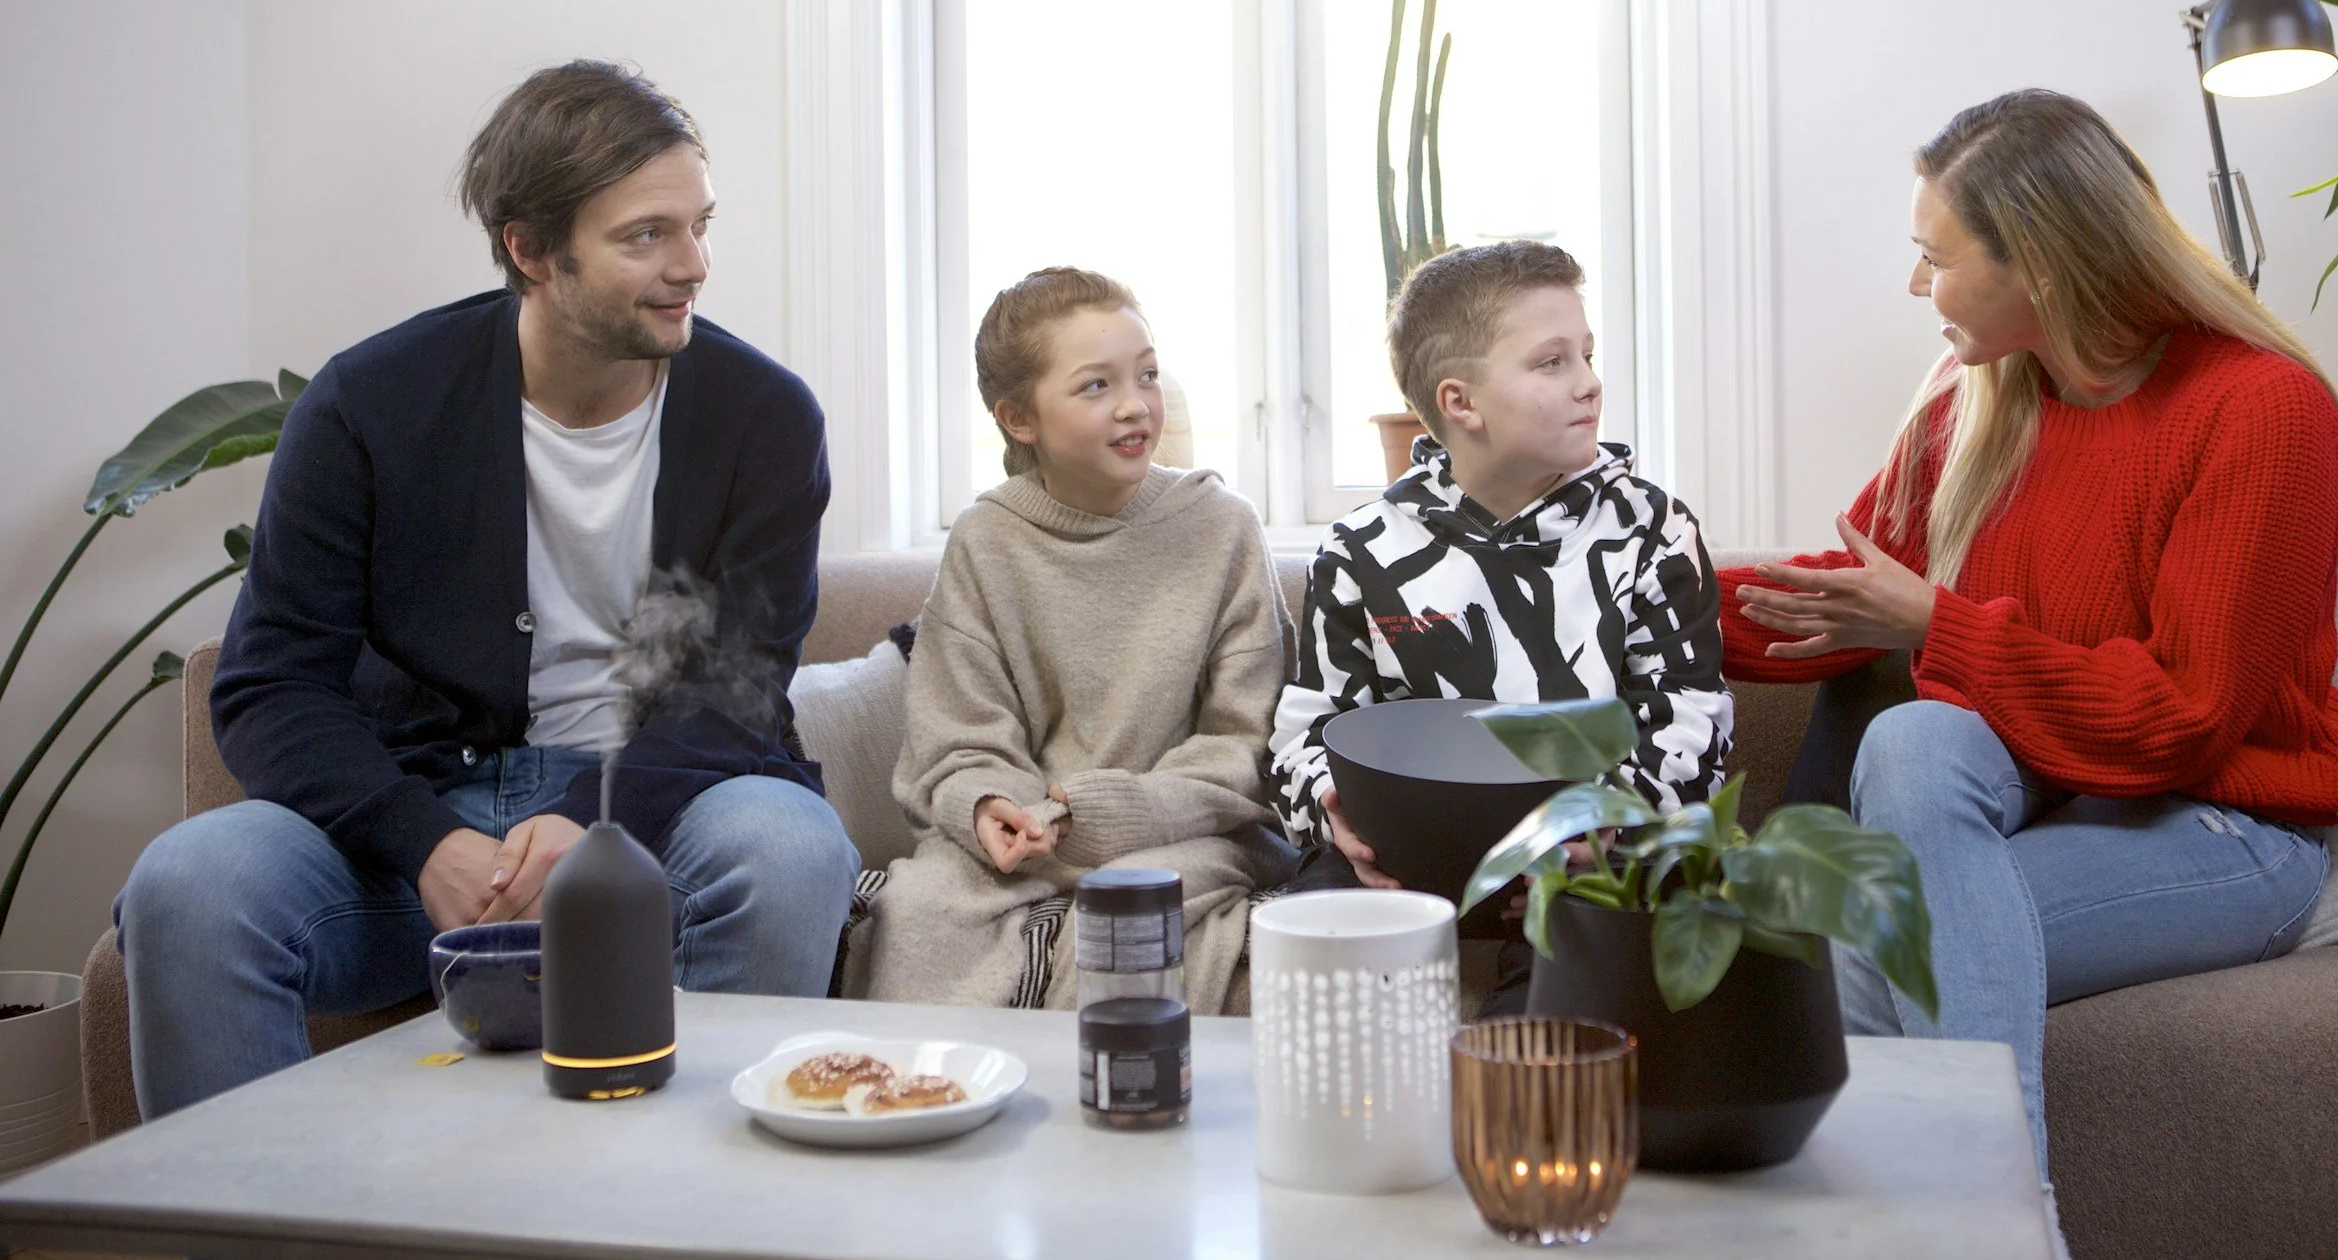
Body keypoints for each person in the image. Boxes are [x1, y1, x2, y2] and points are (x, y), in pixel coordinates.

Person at [115, 60, 860, 1117]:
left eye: (699, 224)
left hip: (664, 807)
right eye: (646, 234)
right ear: (530, 248)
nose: (692, 264)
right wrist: (427, 843)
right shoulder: (368, 402)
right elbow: (271, 684)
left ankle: (697, 1221)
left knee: (787, 848)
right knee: (190, 883)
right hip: (414, 823)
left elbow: (733, 691)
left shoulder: (763, 417)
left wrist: (594, 820)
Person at [1720, 88, 2338, 1176]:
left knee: (1848, 942)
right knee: (1911, 740)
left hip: (2225, 826)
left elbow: (2183, 719)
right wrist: (1639, 584)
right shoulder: (1978, 394)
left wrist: (1939, 624)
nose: (1915, 284)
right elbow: (1849, 594)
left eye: (1936, 256)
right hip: (2040, 797)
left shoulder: (2263, 408)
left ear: (2041, 261)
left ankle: (1983, 1224)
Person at [856, 268, 1294, 1013]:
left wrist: (1113, 811)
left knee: (1129, 915)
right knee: (920, 908)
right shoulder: (985, 541)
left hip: (1187, 831)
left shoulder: (1222, 527)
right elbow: (956, 736)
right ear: (1019, 417)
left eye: (1147, 375)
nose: (1135, 404)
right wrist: (987, 803)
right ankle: (936, 1105)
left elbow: (1247, 743)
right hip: (1027, 840)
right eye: (1096, 386)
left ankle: (1101, 1113)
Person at [1267, 240, 1735, 902]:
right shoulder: (1360, 549)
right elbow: (1309, 730)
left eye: (1587, 355)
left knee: (1585, 938)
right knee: (1321, 915)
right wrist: (1330, 810)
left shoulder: (1651, 529)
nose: (1589, 382)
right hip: (1406, 856)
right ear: (1461, 403)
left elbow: (1690, 720)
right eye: (1552, 361)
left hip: (1589, 860)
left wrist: (1604, 828)